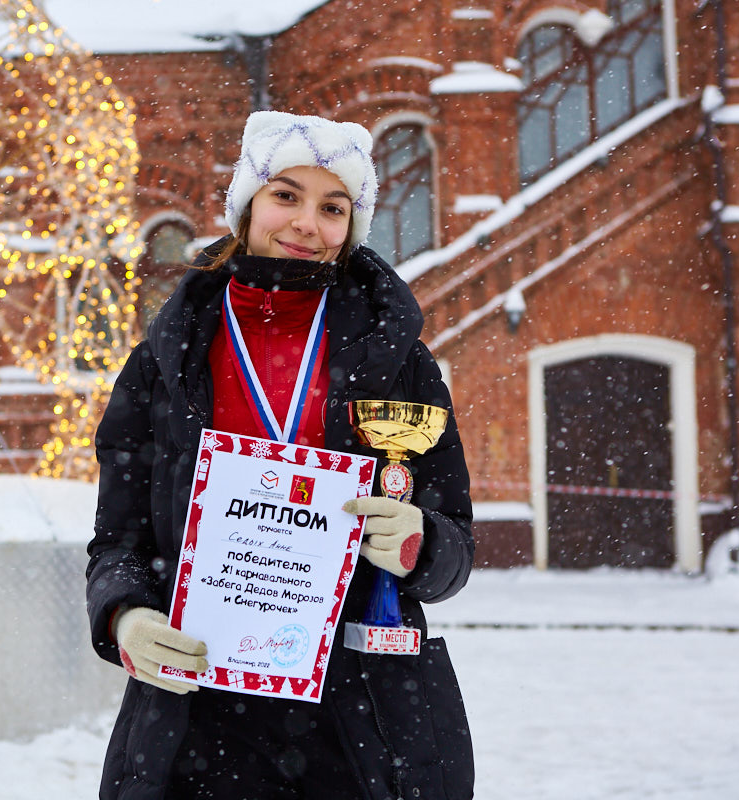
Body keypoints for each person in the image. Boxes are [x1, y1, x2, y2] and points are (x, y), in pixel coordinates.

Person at [86, 110, 475, 800]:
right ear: (248, 204)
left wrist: (422, 542)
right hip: (196, 714)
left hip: (359, 722)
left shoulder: (399, 363)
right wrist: (127, 618)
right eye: (286, 195)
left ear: (351, 228)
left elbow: (455, 545)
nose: (305, 223)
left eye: (333, 207)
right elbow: (118, 541)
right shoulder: (164, 362)